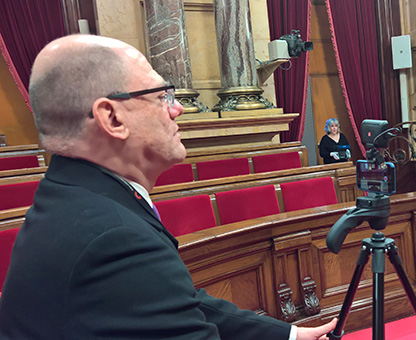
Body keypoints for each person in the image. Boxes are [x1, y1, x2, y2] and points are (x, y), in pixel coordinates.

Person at [0, 34, 336, 339]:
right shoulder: (112, 238)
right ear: (112, 118)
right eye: (162, 96)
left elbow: (179, 302)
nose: (176, 109)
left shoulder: (77, 194)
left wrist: (289, 336)